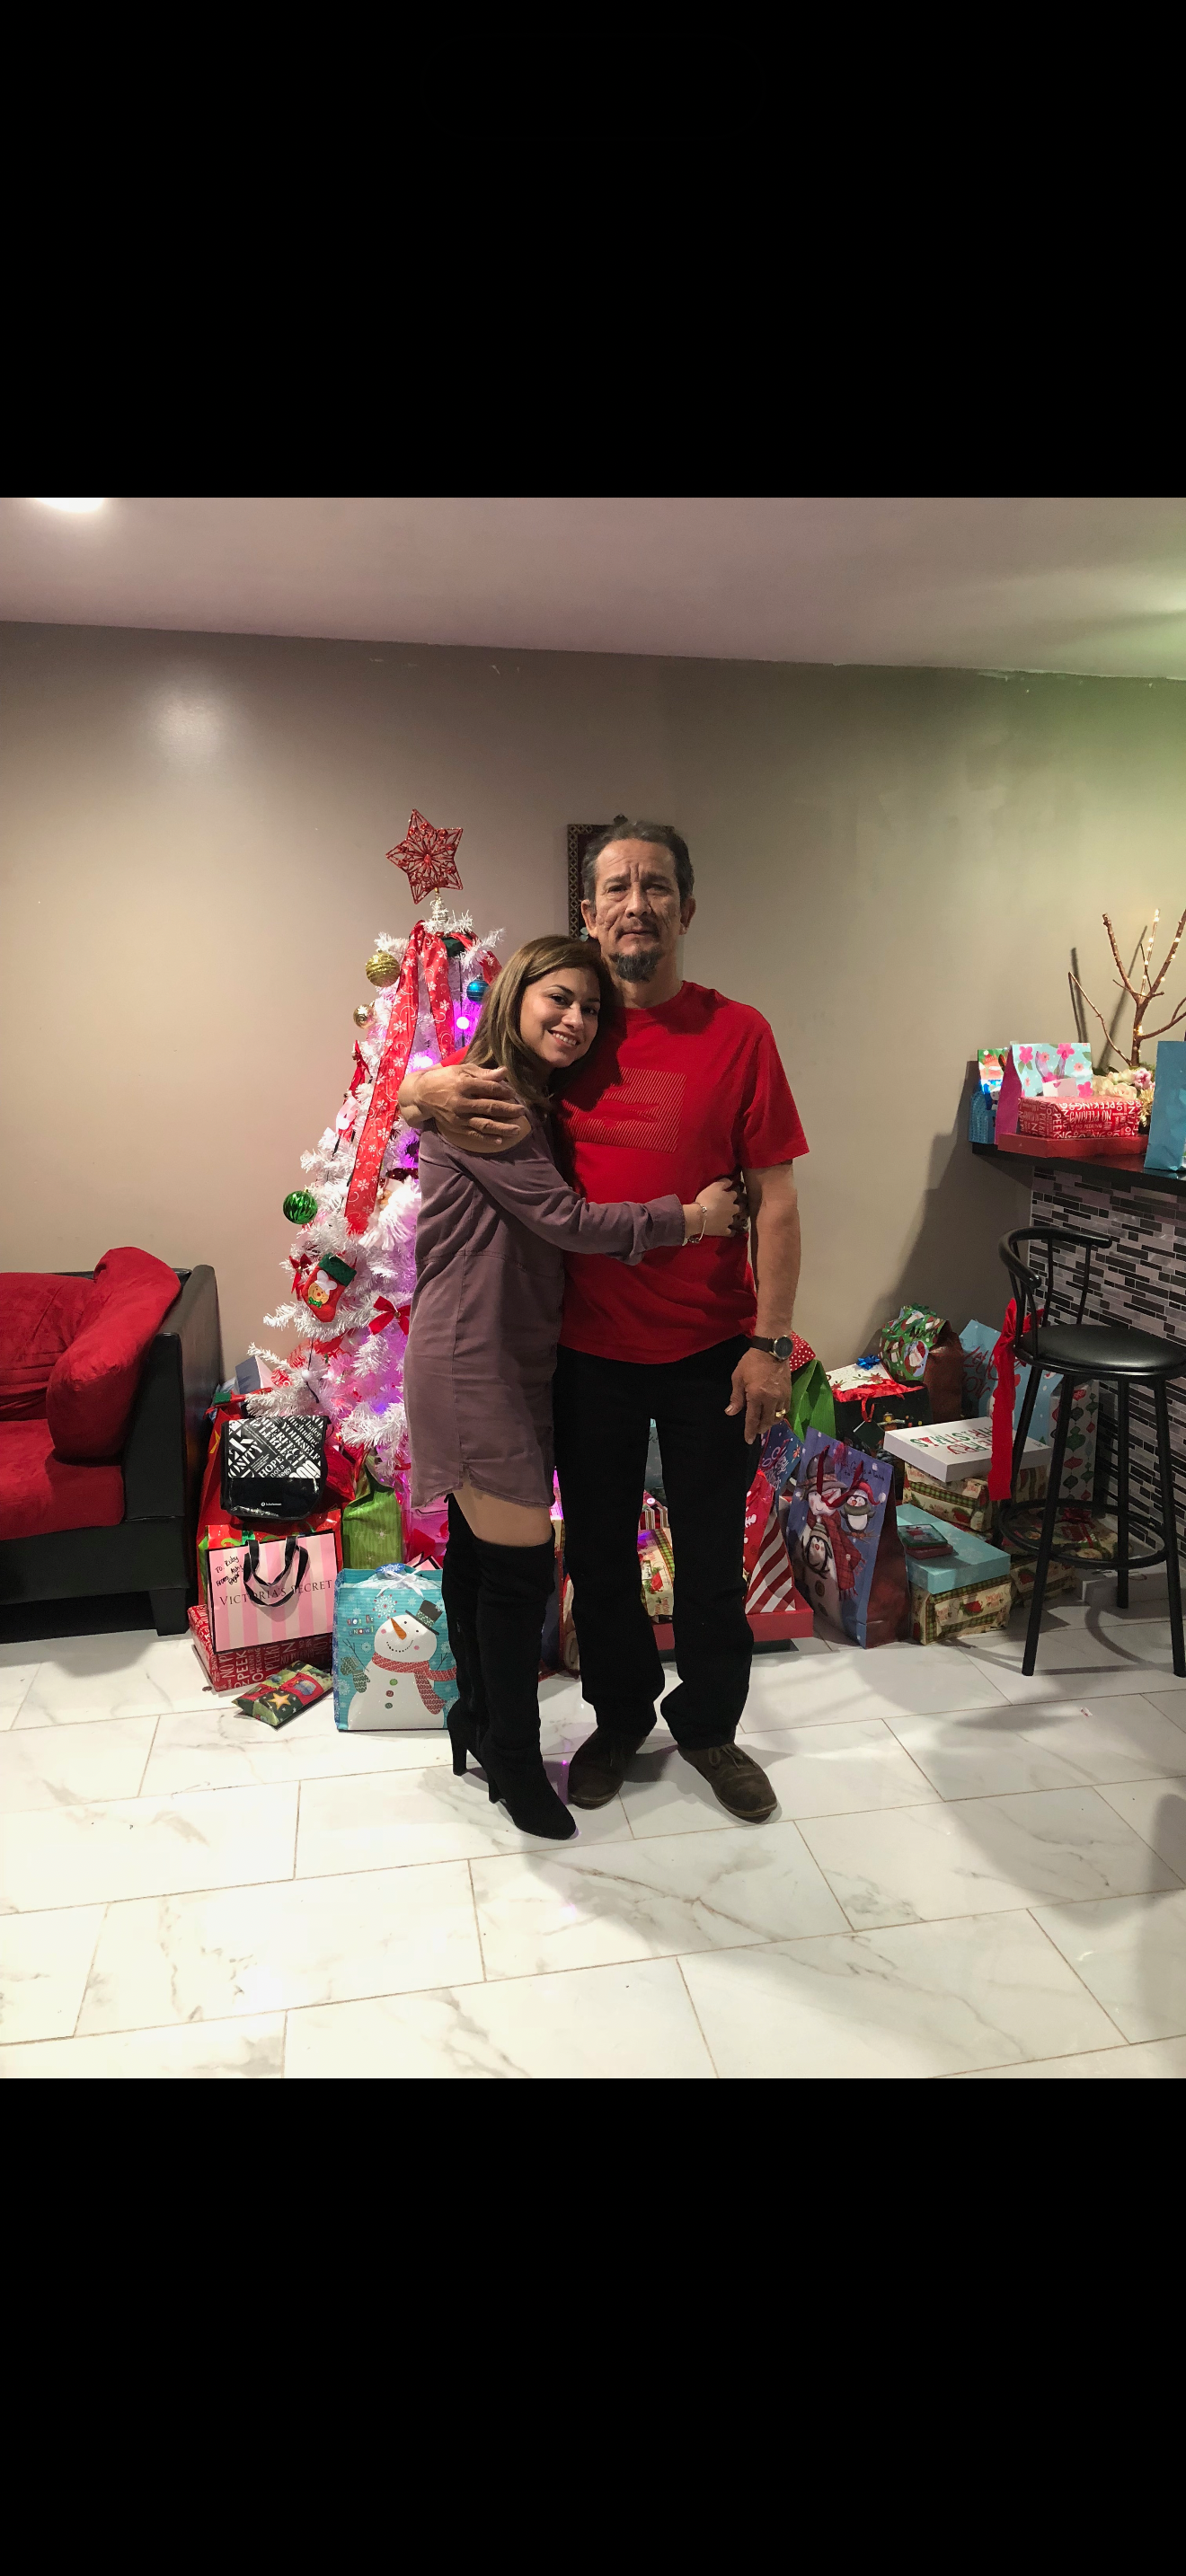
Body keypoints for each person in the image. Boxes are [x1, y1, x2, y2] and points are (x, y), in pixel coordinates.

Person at [400, 820, 808, 1828]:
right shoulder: (565, 1032)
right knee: (598, 1563)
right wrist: (418, 1087)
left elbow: (778, 1202)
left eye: (656, 885)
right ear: (588, 913)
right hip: (584, 1357)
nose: (637, 904)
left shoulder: (738, 1033)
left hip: (713, 1348)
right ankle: (620, 1720)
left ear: (687, 907)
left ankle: (708, 1727)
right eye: (617, 887)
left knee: (710, 1563)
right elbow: (468, 1093)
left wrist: (772, 1344)